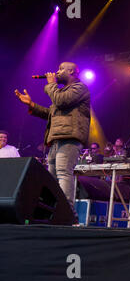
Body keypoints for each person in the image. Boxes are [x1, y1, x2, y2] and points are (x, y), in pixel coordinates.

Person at [14, 62, 90, 222]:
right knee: (51, 178)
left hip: (69, 137)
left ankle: (67, 214)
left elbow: (61, 101)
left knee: (63, 173)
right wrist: (32, 105)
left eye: (62, 69)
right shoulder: (61, 92)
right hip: (56, 138)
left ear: (72, 72)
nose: (57, 71)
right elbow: (51, 113)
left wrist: (51, 84)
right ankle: (52, 212)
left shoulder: (79, 88)